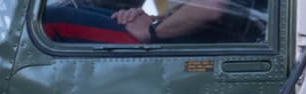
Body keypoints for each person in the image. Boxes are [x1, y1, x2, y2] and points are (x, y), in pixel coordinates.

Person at [43, 0, 263, 44]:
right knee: (78, 9)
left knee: (50, 20)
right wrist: (149, 18)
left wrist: (152, 31)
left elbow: (212, 8)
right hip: (185, 33)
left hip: (193, 44)